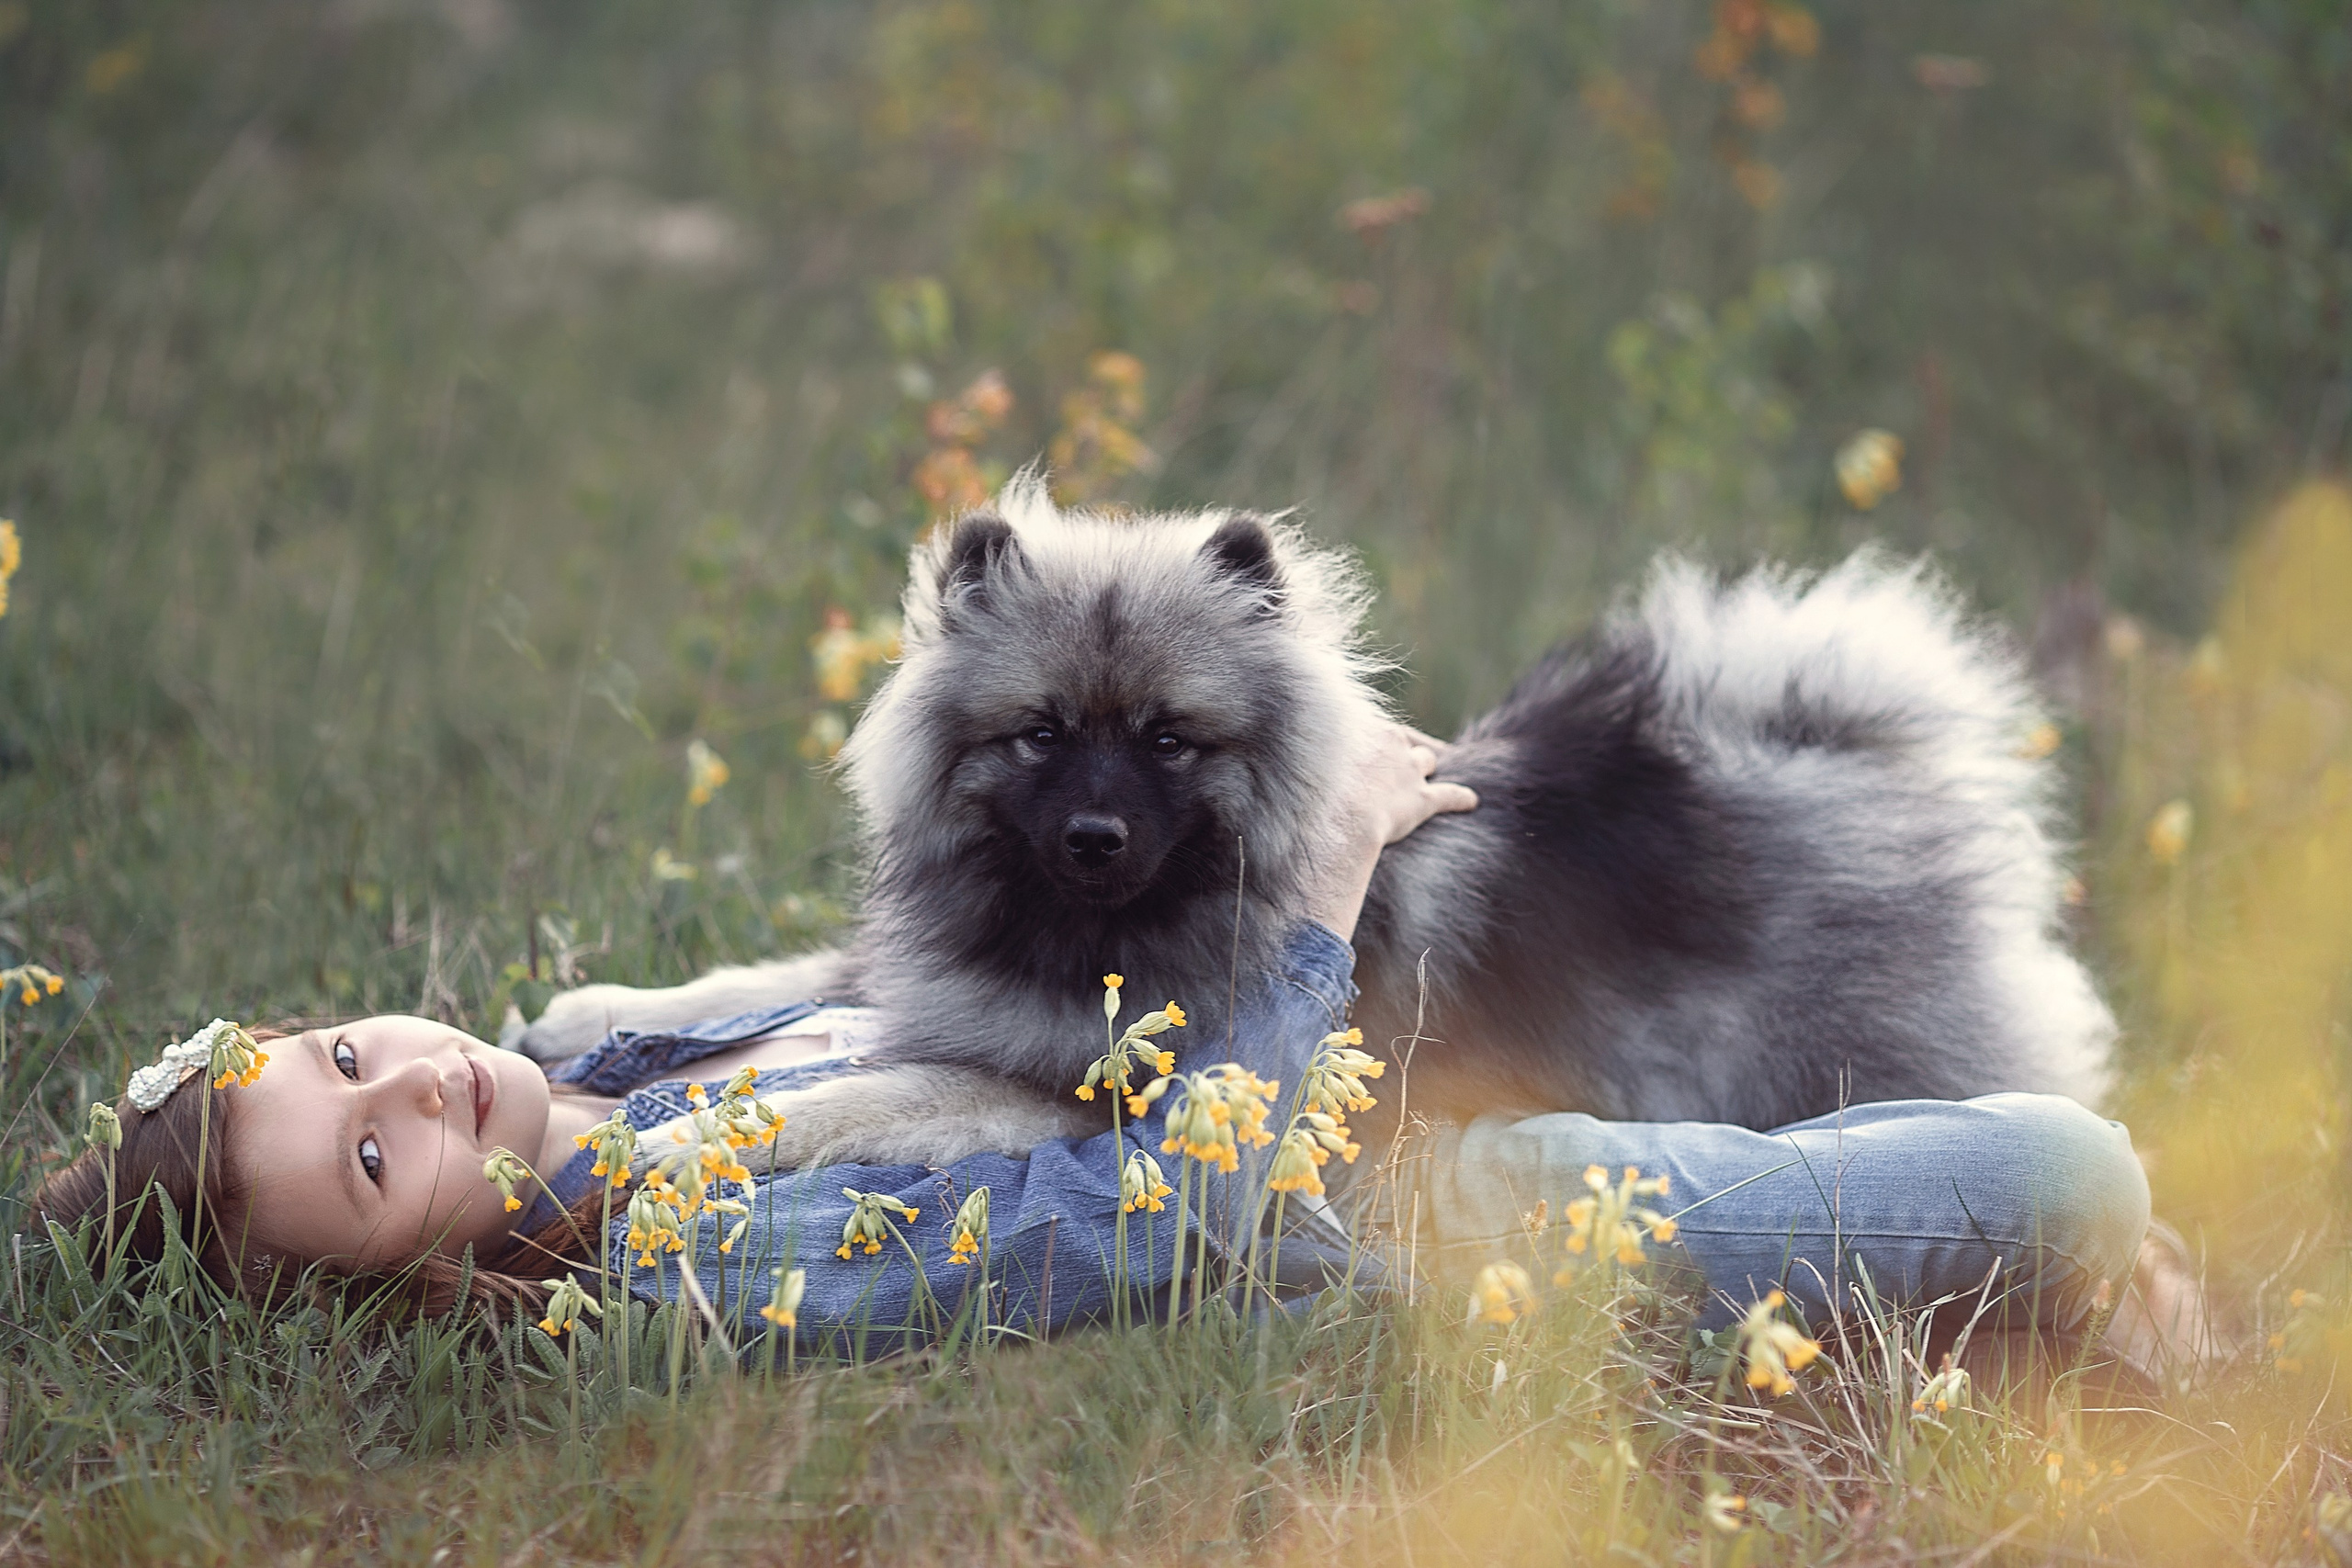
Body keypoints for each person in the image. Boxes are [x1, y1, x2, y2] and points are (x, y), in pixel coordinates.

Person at [35, 723, 2154, 1367]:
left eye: (345, 1052)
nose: (416, 1084)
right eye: (376, 1163)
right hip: (1396, 1213)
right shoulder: (703, 1267)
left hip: (1385, 1062)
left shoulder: (635, 1070)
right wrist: (1312, 905)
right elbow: (1169, 1218)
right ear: (429, 1276)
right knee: (2070, 1180)